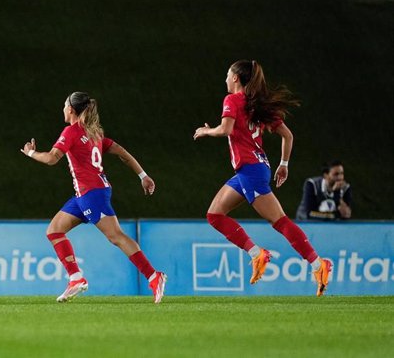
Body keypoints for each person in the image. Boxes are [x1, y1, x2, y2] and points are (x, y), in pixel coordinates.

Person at [193, 60, 333, 296]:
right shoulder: (256, 104)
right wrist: (284, 164)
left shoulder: (233, 100)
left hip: (251, 170)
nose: (226, 79)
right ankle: (257, 254)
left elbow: (225, 130)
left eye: (228, 75)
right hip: (252, 169)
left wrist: (206, 131)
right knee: (214, 215)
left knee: (280, 221)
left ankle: (319, 265)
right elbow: (287, 136)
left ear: (236, 78)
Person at [20, 91, 167, 304]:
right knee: (54, 230)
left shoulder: (71, 131)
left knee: (116, 236)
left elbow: (52, 159)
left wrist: (31, 153)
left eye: (64, 105)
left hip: (92, 194)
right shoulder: (94, 133)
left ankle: (154, 276)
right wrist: (143, 175)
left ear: (71, 109)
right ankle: (76, 278)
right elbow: (122, 153)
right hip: (85, 195)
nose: (62, 109)